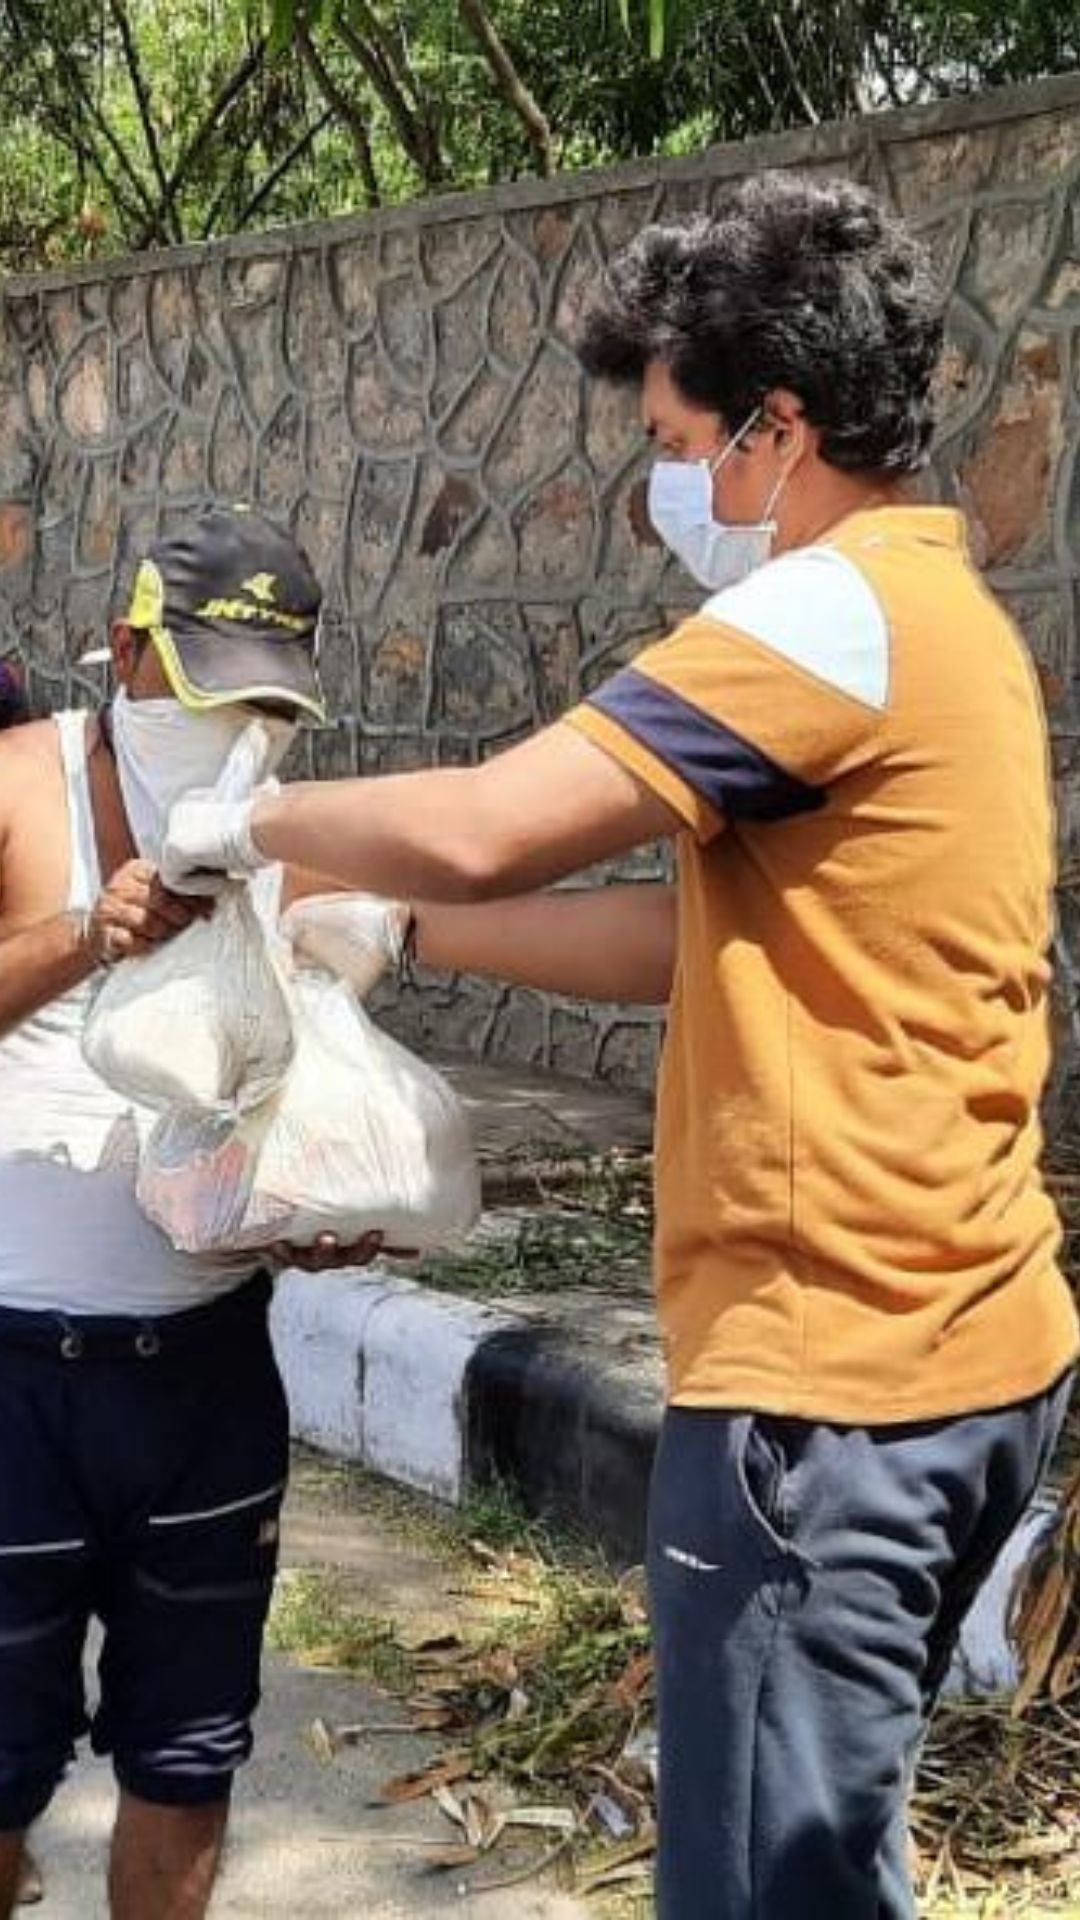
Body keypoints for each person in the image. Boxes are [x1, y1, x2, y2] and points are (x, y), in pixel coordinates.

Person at [162, 173, 1079, 1919]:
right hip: (970, 1348)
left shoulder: (819, 617)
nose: (663, 487)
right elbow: (692, 938)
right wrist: (408, 930)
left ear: (777, 429)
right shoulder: (945, 620)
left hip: (830, 1385)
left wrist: (254, 826)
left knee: (762, 1891)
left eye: (675, 441)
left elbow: (495, 821)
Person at [0, 506, 381, 1920]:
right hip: (13, 1376)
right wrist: (84, 932)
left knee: (189, 1759)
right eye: (207, 685)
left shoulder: (284, 824)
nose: (237, 725)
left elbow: (290, 1082)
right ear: (126, 653)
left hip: (205, 1378)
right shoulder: (18, 785)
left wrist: (324, 1202)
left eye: (267, 701)